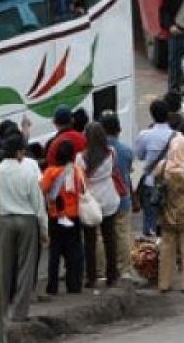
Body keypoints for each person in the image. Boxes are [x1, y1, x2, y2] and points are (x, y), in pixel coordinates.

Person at [0, 133, 45, 322]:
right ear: (18, 152)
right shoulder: (28, 172)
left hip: (3, 220)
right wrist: (43, 228)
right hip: (27, 219)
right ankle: (19, 312)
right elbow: (37, 202)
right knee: (26, 267)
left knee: (3, 268)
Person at [153, 131, 184, 294]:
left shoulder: (162, 166)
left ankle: (164, 283)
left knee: (167, 249)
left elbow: (156, 182)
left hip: (167, 212)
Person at [76, 122, 121, 287]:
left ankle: (91, 277)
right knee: (110, 238)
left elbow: (80, 181)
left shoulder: (81, 158)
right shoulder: (111, 153)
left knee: (90, 241)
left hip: (91, 202)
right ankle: (112, 275)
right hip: (109, 198)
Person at [40, 141, 87, 296]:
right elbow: (83, 188)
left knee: (55, 252)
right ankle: (74, 284)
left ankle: (52, 286)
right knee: (74, 251)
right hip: (73, 215)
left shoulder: (50, 172)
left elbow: (43, 188)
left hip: (56, 216)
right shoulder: (76, 171)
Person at [133, 99, 175, 237]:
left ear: (152, 114)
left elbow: (139, 156)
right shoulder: (177, 136)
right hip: (170, 183)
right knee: (169, 225)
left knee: (150, 224)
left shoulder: (145, 135)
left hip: (151, 184)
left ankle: (149, 255)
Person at [100, 111, 134, 281]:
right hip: (121, 198)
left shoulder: (95, 151)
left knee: (101, 235)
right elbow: (127, 174)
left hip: (102, 200)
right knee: (122, 234)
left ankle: (102, 269)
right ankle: (125, 270)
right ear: (118, 130)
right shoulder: (126, 151)